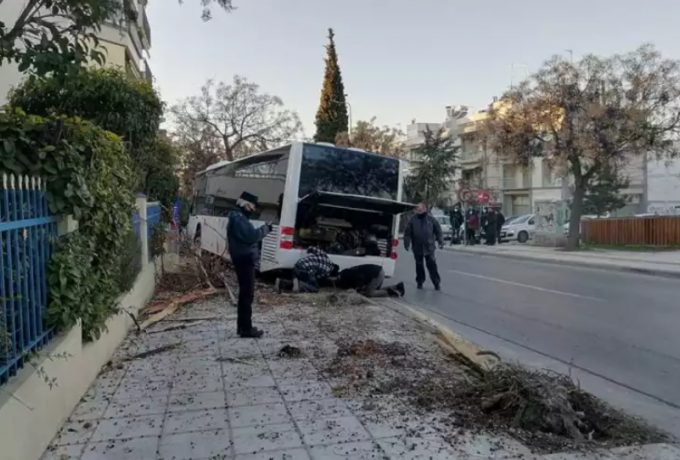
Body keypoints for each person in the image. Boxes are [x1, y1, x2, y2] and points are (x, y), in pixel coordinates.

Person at [227, 191, 272, 338]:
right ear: (245, 204)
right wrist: (265, 229)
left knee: (246, 294)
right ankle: (246, 329)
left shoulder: (238, 217)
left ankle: (243, 327)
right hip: (244, 259)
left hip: (243, 258)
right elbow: (251, 236)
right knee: (247, 294)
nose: (253, 209)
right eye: (252, 206)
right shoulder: (239, 219)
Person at [404, 202, 443, 290]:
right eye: (418, 210)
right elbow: (407, 233)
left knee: (432, 265)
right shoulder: (413, 220)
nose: (419, 211)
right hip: (417, 247)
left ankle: (436, 282)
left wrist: (440, 241)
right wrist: (406, 243)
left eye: (421, 209)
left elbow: (438, 231)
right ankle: (420, 281)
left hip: (429, 247)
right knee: (419, 265)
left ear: (425, 209)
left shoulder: (431, 220)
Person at [336, 264, 405, 298]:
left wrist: (358, 290)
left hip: (377, 275)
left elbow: (360, 282)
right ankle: (396, 287)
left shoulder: (351, 276)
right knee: (374, 290)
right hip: (378, 272)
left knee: (369, 294)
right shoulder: (347, 272)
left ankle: (391, 293)